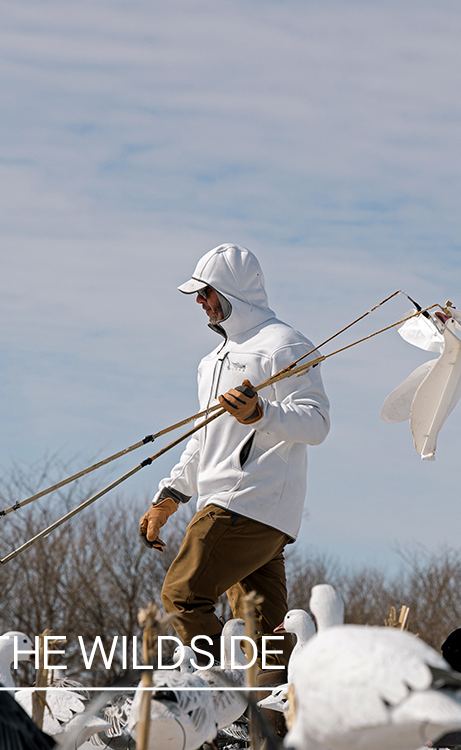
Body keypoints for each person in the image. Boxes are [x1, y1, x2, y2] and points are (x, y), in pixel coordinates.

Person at [138, 243, 330, 680]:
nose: (201, 303)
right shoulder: (212, 362)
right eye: (198, 296)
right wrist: (169, 498)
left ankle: (221, 695)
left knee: (184, 595)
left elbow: (317, 422)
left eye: (206, 292)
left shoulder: (285, 344)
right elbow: (203, 438)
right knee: (265, 636)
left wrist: (262, 412)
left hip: (246, 502)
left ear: (233, 291)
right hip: (237, 503)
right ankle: (270, 728)